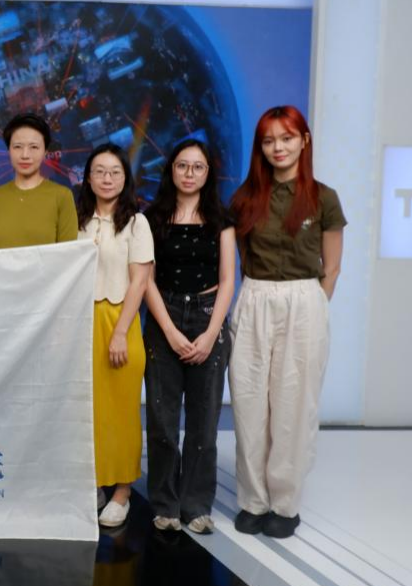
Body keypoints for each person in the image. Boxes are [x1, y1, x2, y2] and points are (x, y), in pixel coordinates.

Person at [228, 105, 345, 539]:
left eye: (287, 138)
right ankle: (253, 500)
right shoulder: (244, 199)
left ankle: (284, 503)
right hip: (255, 297)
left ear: (304, 141)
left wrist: (311, 306)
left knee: (294, 406)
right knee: (249, 403)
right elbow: (240, 259)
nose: (278, 147)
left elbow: (332, 267)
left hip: (304, 301)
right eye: (269, 140)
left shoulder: (323, 198)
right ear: (260, 147)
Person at [141, 139, 236, 534]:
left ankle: (196, 505)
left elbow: (228, 280)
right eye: (182, 165)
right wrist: (168, 330)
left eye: (198, 167)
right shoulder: (151, 218)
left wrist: (212, 333)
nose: (189, 173)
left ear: (208, 173)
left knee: (203, 421)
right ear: (171, 170)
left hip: (208, 315)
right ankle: (165, 504)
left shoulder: (221, 220)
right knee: (162, 420)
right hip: (163, 315)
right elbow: (145, 279)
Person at [77, 143, 153, 527]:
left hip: (119, 320)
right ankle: (93, 482)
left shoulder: (137, 224)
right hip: (81, 323)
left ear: (125, 178)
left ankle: (122, 490)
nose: (107, 179)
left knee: (121, 411)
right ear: (88, 178)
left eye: (115, 172)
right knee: (87, 409)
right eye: (99, 171)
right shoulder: (76, 221)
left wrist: (121, 331)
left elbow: (140, 281)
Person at [0, 113, 76, 250]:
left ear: (45, 152)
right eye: (17, 147)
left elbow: (69, 254)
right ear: (9, 150)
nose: (25, 155)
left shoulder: (62, 196)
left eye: (34, 147)